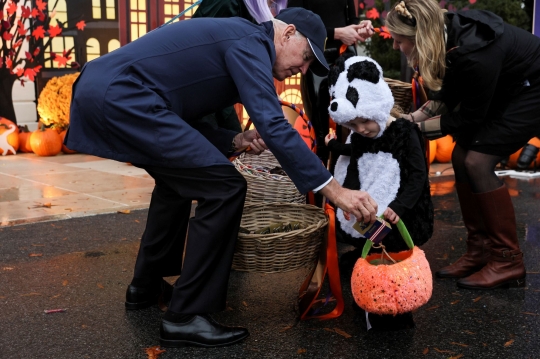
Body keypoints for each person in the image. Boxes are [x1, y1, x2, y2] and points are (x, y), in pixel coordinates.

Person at [65, 8, 378, 348]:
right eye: (305, 58)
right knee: (225, 188)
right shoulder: (250, 42)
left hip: (109, 89)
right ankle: (185, 316)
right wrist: (335, 191)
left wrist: (234, 141)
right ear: (287, 34)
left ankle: (146, 286)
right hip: (122, 94)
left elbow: (179, 114)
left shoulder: (239, 40)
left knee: (179, 182)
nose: (300, 71)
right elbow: (274, 124)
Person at [374, 0, 540, 290]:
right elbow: (446, 98)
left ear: (419, 39)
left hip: (533, 89)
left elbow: (468, 117)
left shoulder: (475, 54)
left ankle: (507, 261)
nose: (396, 47)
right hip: (511, 87)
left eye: (400, 42)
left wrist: (415, 130)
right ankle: (479, 251)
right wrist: (408, 120)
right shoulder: (446, 35)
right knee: (461, 154)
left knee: (479, 161)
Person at [325, 54, 433, 330]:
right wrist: (335, 148)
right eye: (353, 126)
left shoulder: (404, 132)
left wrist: (400, 205)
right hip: (373, 211)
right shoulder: (360, 135)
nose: (361, 129)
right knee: (372, 250)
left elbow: (417, 174)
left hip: (398, 211)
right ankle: (372, 303)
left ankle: (399, 310)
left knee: (394, 257)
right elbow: (354, 155)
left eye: (365, 122)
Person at [287, 0, 374, 167]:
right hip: (315, 60)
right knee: (321, 134)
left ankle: (349, 184)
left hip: (346, 60)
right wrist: (336, 33)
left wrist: (360, 28)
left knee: (354, 127)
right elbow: (293, 25)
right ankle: (320, 189)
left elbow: (351, 20)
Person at [192, 0, 288, 132]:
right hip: (198, 85)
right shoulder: (228, 4)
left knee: (234, 139)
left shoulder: (255, 11)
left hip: (219, 88)